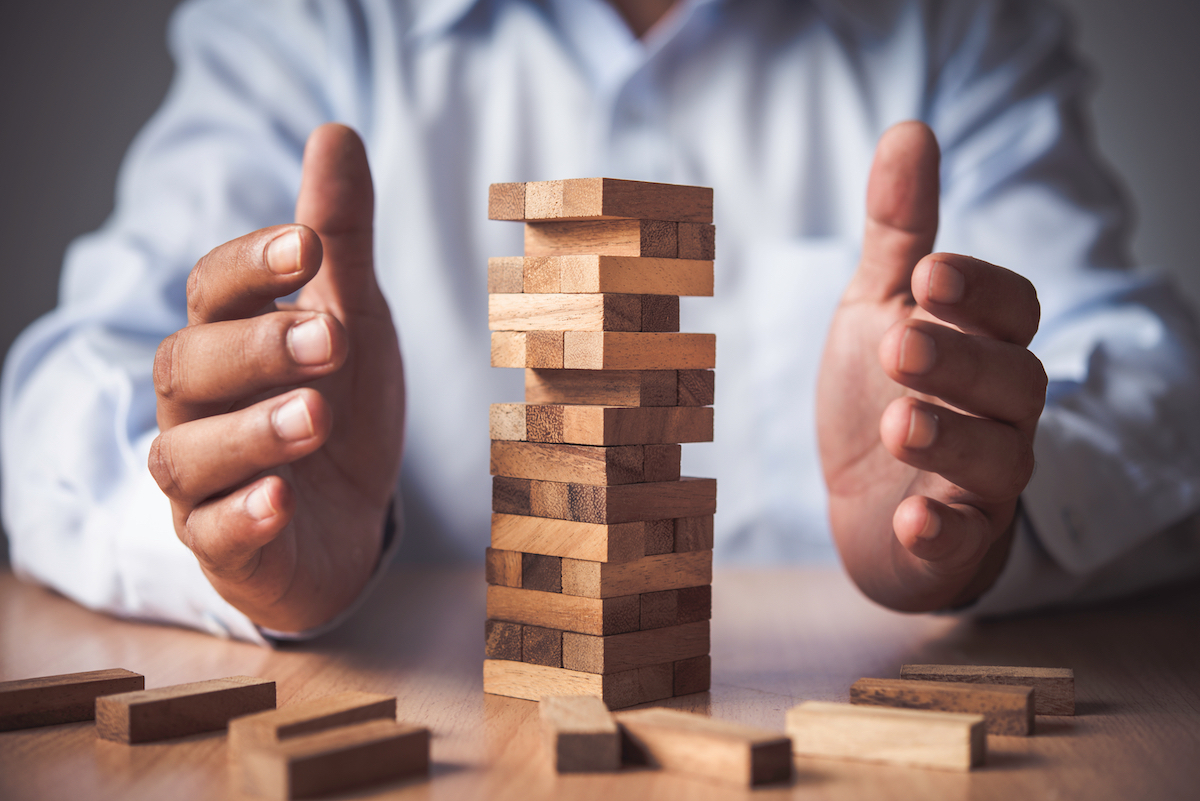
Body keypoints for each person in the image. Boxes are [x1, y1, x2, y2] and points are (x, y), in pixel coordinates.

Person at [4, 0, 1200, 642]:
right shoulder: (301, 24)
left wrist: (986, 510)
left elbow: (1156, 387)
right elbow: (60, 395)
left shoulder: (958, 28)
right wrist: (227, 533)